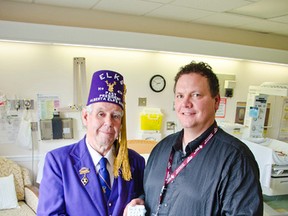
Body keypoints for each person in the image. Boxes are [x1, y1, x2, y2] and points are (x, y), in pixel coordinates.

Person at [125, 61, 263, 215]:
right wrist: (140, 202)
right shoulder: (161, 148)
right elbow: (152, 192)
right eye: (180, 96)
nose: (185, 103)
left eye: (196, 95)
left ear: (216, 101)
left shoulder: (236, 159)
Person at [37, 70, 145, 216]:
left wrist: (141, 202)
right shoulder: (58, 162)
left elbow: (145, 197)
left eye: (115, 116)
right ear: (85, 116)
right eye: (101, 114)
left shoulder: (135, 162)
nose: (108, 123)